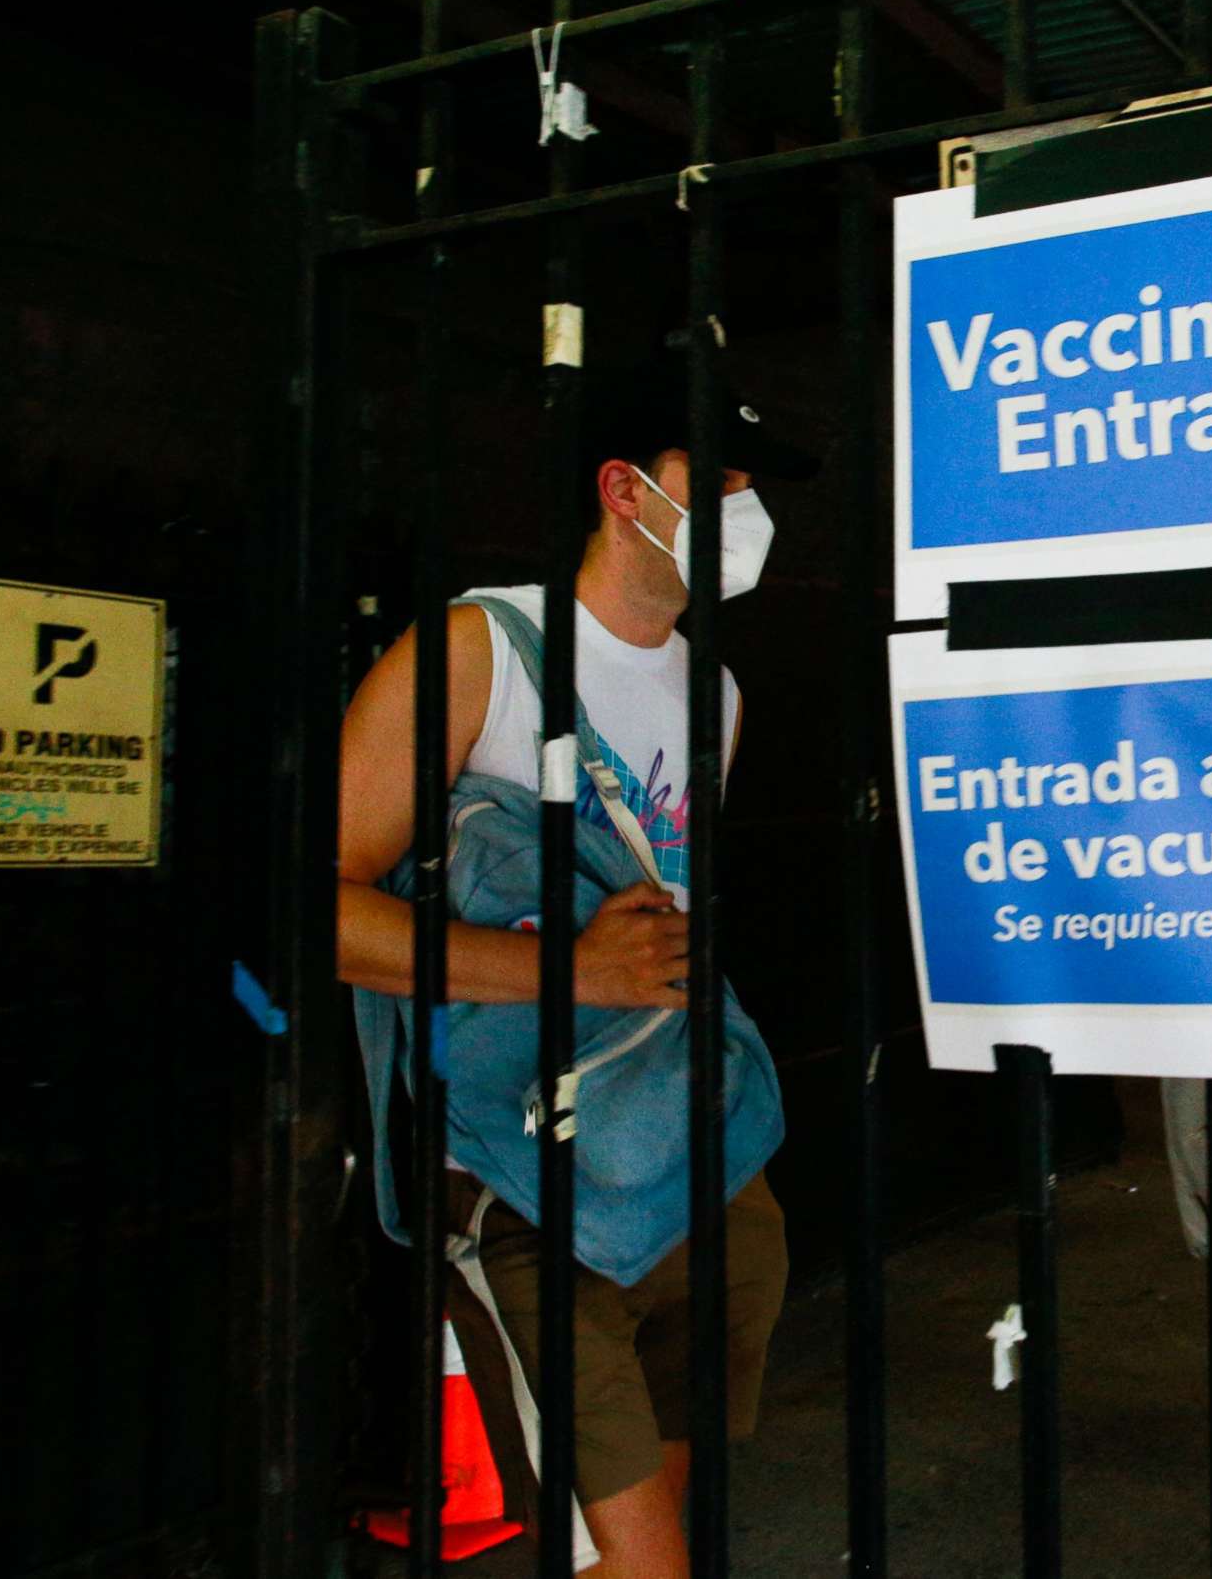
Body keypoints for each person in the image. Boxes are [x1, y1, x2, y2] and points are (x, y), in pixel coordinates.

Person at [335, 369, 811, 1579]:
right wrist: (566, 971)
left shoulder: (721, 695)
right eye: (727, 482)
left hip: (688, 1157)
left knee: (648, 1551)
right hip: (519, 1172)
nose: (750, 510)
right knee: (643, 1565)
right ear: (624, 491)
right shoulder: (477, 649)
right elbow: (311, 909)